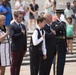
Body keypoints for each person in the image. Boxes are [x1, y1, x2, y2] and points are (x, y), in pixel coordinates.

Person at [9, 11, 27, 75]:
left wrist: (25, 47)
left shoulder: (23, 26)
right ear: (15, 17)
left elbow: (25, 37)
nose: (21, 19)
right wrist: (21, 34)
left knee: (19, 64)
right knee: (14, 64)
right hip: (15, 48)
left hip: (21, 48)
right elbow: (13, 36)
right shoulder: (12, 25)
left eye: (22, 17)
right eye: (20, 17)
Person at [51, 10, 67, 75]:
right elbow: (56, 29)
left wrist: (66, 46)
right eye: (58, 14)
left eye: (60, 14)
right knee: (57, 62)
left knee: (62, 62)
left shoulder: (64, 23)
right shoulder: (54, 23)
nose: (59, 15)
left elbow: (64, 35)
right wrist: (61, 23)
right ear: (56, 14)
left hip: (63, 44)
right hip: (57, 45)